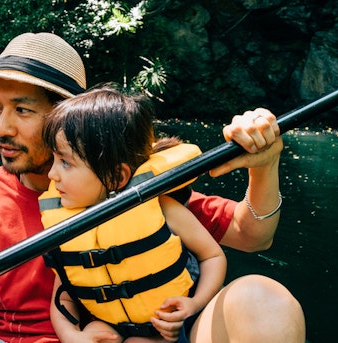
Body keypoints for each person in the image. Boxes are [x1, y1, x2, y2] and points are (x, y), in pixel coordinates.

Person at [0, 32, 305, 343]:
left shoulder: (132, 184)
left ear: (67, 118)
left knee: (263, 299)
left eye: (23, 111)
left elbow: (253, 235)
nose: (0, 128)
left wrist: (264, 164)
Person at [40, 85, 227, 343]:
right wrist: (72, 336)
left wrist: (194, 303)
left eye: (65, 162)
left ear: (117, 176)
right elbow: (63, 295)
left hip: (170, 330)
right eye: (53, 160)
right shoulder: (68, 225)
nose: (52, 174)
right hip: (112, 331)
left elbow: (213, 256)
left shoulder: (162, 208)